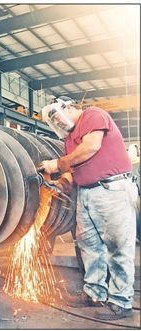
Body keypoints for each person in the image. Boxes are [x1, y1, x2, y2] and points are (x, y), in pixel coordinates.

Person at [39, 96, 138, 321]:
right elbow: (71, 173)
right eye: (52, 121)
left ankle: (121, 301)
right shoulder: (69, 139)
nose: (57, 123)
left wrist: (58, 164)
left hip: (111, 190)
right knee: (89, 245)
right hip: (85, 193)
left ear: (70, 107)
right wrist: (58, 183)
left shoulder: (92, 115)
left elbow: (91, 148)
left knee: (117, 246)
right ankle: (94, 293)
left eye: (56, 116)